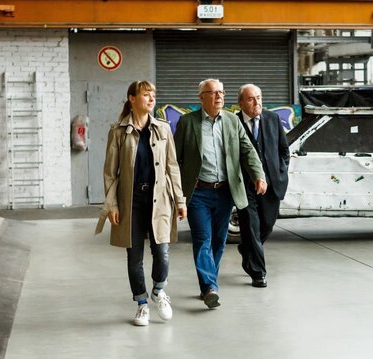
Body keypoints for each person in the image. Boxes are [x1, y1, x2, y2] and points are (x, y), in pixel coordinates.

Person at [95, 80, 187, 327]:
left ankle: (159, 290)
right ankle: (142, 304)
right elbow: (109, 173)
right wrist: (112, 205)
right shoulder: (118, 132)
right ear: (132, 98)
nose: (151, 99)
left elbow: (172, 167)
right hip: (131, 201)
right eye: (146, 94)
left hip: (160, 200)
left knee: (162, 252)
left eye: (153, 95)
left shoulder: (163, 129)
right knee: (134, 257)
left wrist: (180, 199)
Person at [174, 78, 266, 309]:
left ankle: (208, 283)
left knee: (219, 240)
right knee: (203, 238)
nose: (219, 96)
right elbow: (175, 159)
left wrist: (258, 175)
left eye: (222, 93)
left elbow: (247, 150)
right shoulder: (187, 123)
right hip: (198, 193)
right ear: (201, 97)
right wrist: (175, 193)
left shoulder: (232, 121)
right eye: (213, 92)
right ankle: (209, 287)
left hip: (225, 191)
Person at [235, 84, 290, 288]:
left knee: (266, 225)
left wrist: (281, 173)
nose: (257, 102)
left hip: (272, 184)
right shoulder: (234, 122)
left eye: (259, 97)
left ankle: (246, 248)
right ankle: (258, 273)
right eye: (251, 99)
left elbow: (284, 150)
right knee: (251, 226)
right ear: (241, 103)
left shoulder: (273, 119)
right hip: (245, 185)